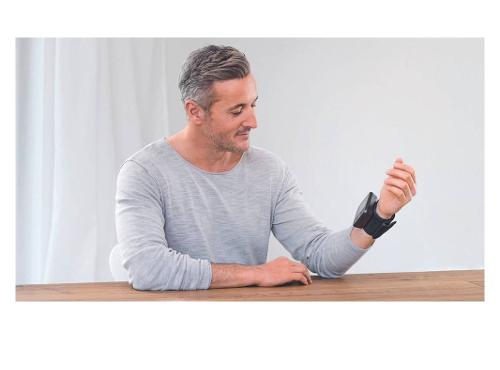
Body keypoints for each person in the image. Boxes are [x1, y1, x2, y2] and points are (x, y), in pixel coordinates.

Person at [114, 45, 417, 291]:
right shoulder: (144, 172)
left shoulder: (269, 171)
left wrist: (379, 216)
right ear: (195, 112)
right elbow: (147, 267)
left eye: (253, 105)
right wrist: (256, 273)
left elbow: (321, 255)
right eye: (237, 111)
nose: (253, 122)